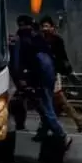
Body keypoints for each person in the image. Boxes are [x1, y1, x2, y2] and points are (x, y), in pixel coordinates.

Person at [14, 15, 71, 146]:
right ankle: (43, 132)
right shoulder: (39, 39)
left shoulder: (26, 40)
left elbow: (22, 61)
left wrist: (23, 78)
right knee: (44, 107)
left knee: (46, 108)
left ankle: (62, 135)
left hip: (40, 78)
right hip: (47, 76)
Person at [39, 16, 82, 134]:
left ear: (52, 27)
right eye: (43, 26)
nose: (45, 29)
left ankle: (78, 122)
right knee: (55, 102)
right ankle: (79, 122)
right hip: (43, 75)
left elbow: (63, 58)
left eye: (47, 26)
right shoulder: (40, 41)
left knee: (55, 100)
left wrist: (69, 72)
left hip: (53, 74)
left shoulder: (57, 41)